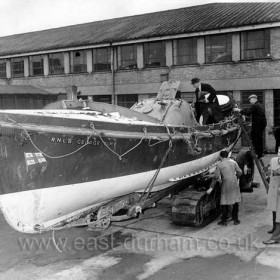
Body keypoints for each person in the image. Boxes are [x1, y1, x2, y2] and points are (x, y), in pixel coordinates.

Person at [207, 150, 242, 226]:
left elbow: (215, 177)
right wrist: (236, 178)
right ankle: (236, 220)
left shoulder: (220, 165)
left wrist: (211, 188)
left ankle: (224, 221)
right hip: (235, 182)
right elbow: (240, 172)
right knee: (235, 202)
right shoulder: (233, 162)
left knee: (224, 202)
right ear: (227, 156)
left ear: (220, 157)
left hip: (226, 183)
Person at [233, 94, 267, 159]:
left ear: (254, 99)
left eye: (250, 99)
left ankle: (258, 153)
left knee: (255, 137)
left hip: (258, 124)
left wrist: (238, 110)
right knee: (258, 138)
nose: (249, 101)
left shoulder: (255, 105)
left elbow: (248, 111)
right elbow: (251, 113)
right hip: (260, 124)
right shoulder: (258, 105)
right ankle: (259, 152)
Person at [263, 148, 280, 245]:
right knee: (275, 211)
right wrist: (267, 172)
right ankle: (274, 230)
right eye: (278, 152)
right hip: (274, 190)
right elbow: (269, 172)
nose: (279, 154)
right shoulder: (273, 160)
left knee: (279, 216)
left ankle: (275, 237)